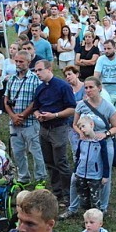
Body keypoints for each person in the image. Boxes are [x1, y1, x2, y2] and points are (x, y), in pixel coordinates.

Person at [71, 77, 116, 214]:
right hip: (85, 144)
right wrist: (79, 133)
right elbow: (74, 124)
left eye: (91, 87)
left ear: (99, 88)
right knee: (76, 176)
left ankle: (102, 208)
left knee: (105, 176)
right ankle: (73, 207)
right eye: (86, 88)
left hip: (104, 143)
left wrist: (105, 134)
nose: (88, 90)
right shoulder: (81, 105)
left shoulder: (108, 106)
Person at [32, 60, 76, 207]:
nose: (37, 73)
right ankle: (56, 193)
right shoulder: (39, 88)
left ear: (49, 69)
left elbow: (72, 109)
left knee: (61, 162)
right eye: (35, 71)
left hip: (58, 127)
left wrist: (55, 115)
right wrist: (38, 114)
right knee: (49, 162)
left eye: (40, 70)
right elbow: (35, 107)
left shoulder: (63, 87)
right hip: (44, 128)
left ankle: (68, 195)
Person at [3, 51, 46, 189]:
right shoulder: (11, 79)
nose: (18, 64)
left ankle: (40, 178)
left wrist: (23, 115)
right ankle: (23, 176)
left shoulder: (35, 79)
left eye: (21, 61)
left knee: (36, 151)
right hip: (14, 123)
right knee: (18, 151)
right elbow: (6, 99)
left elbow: (36, 101)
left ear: (29, 62)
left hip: (30, 123)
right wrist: (12, 116)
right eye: (16, 61)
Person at [94, 39, 116, 112]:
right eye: (105, 49)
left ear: (115, 48)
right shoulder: (101, 59)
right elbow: (96, 76)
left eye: (109, 48)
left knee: (112, 111)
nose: (106, 51)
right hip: (104, 90)